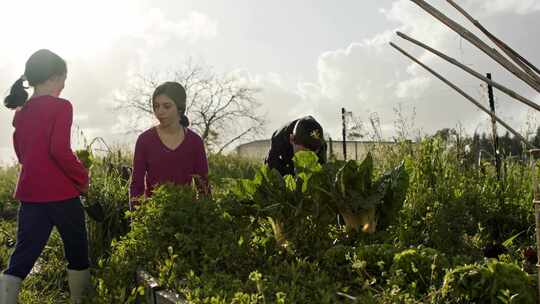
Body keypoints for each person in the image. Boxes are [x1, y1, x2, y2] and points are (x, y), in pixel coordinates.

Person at [0, 49, 91, 303]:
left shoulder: (21, 111)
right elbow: (59, 150)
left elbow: (20, 152)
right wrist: (82, 177)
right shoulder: (62, 107)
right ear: (52, 77)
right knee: (77, 249)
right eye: (63, 78)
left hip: (30, 195)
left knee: (25, 252)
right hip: (62, 194)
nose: (64, 85)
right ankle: (78, 299)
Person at [129, 81, 210, 207]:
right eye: (156, 106)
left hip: (187, 217)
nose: (160, 112)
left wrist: (205, 217)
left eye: (166, 106)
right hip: (153, 216)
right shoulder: (145, 140)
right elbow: (136, 185)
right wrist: (137, 220)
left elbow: (204, 187)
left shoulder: (195, 142)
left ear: (180, 107)